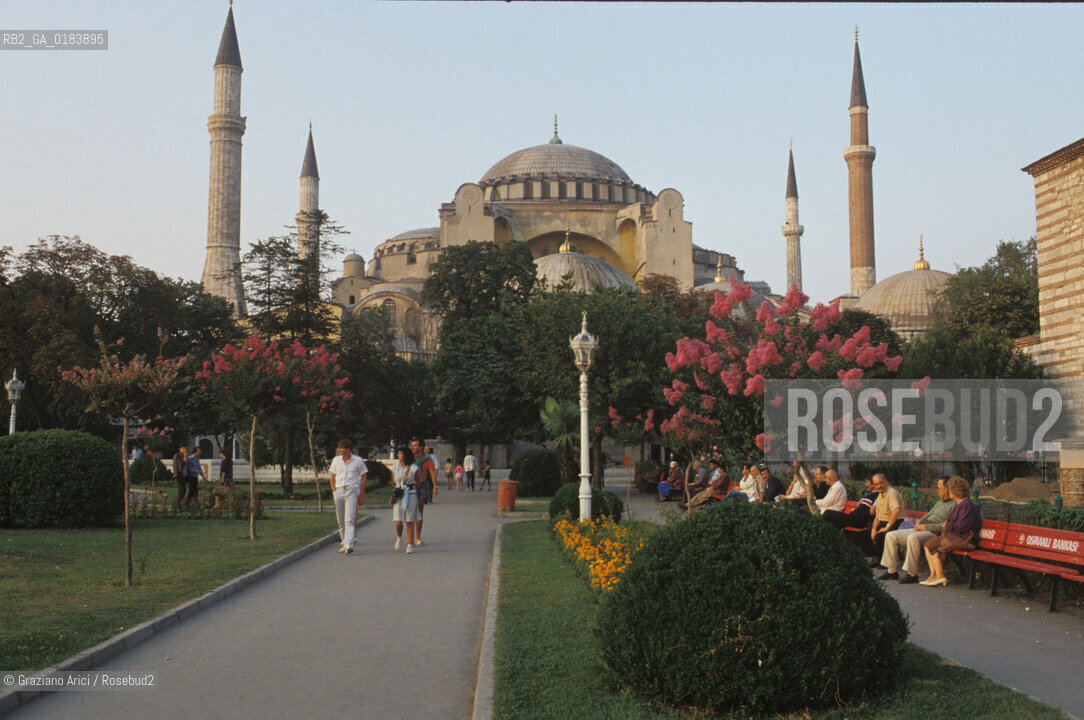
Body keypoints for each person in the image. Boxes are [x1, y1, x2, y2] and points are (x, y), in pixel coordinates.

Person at [878, 477, 956, 583]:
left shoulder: (954, 504)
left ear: (947, 489)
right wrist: (919, 523)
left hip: (934, 533)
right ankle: (892, 571)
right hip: (923, 528)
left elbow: (945, 526)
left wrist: (925, 527)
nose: (937, 491)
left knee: (912, 537)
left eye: (939, 488)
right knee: (891, 535)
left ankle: (912, 574)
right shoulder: (940, 502)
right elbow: (929, 514)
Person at [921, 477, 981, 586]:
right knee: (929, 544)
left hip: (965, 539)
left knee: (934, 545)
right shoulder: (961, 504)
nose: (949, 492)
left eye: (950, 489)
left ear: (955, 491)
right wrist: (947, 525)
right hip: (957, 536)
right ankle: (935, 576)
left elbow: (961, 527)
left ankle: (940, 576)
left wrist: (947, 526)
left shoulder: (966, 505)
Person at [329, 439, 367, 555]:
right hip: (339, 491)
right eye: (339, 448)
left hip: (352, 491)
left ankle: (349, 544)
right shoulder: (336, 460)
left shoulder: (358, 461)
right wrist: (334, 491)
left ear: (349, 449)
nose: (340, 450)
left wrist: (361, 495)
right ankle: (344, 541)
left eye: (342, 448)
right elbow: (332, 476)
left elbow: (364, 476)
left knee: (349, 519)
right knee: (340, 520)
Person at [868, 473, 904, 565]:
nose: (879, 486)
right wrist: (874, 529)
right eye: (876, 484)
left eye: (881, 483)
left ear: (886, 481)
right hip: (885, 522)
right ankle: (880, 559)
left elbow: (896, 510)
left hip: (896, 522)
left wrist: (887, 527)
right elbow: (878, 516)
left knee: (882, 535)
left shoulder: (891, 493)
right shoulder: (880, 496)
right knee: (872, 533)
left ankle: (884, 563)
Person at [392, 446, 421, 554]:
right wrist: (398, 490)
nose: (398, 455)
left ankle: (409, 543)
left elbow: (418, 482)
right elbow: (393, 482)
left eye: (400, 453)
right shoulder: (395, 467)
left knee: (410, 520)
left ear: (405, 455)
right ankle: (399, 537)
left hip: (411, 495)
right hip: (399, 494)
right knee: (398, 521)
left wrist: (410, 489)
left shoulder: (414, 468)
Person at [410, 439, 435, 545]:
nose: (413, 447)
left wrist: (435, 486)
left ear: (421, 447)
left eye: (415, 445)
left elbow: (432, 472)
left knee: (419, 512)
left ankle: (418, 537)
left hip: (422, 486)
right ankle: (409, 537)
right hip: (410, 486)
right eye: (412, 445)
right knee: (410, 512)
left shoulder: (427, 459)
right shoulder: (409, 458)